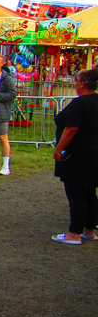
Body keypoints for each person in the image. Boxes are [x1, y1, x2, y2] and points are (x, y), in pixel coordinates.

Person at [51, 68, 98, 245]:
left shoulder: (80, 104)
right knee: (90, 192)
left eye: (76, 81)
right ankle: (89, 229)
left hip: (77, 154)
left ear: (82, 84)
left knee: (76, 193)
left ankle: (74, 233)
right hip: (93, 153)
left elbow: (71, 129)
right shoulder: (95, 101)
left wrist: (58, 150)